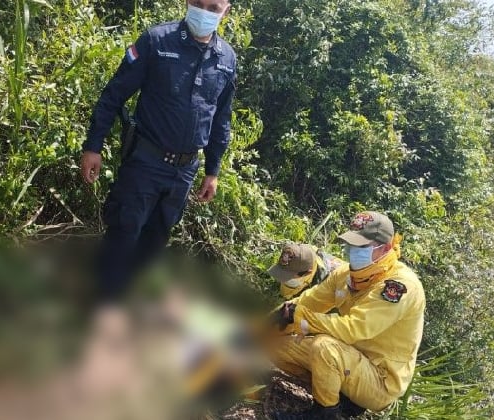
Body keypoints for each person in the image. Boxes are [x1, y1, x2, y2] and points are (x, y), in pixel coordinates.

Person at [80, 0, 237, 301]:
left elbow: (222, 119)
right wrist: (93, 146)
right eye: (199, 4)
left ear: (225, 11)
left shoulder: (227, 58)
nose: (205, 11)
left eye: (214, 7)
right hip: (145, 162)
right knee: (123, 236)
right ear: (189, 3)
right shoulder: (156, 41)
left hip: (184, 173)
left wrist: (213, 170)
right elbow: (114, 94)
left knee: (155, 242)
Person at [268, 211, 426, 420]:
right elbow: (305, 302)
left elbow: (352, 329)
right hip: (349, 360)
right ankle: (336, 393)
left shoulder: (400, 287)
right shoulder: (345, 275)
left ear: (385, 248)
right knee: (274, 346)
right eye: (351, 244)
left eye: (361, 247)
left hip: (379, 380)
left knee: (324, 347)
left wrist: (300, 316)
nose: (352, 251)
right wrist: (258, 328)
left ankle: (326, 414)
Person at [268, 242, 344, 299]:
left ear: (307, 273)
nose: (283, 277)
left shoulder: (323, 287)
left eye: (289, 276)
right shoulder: (303, 252)